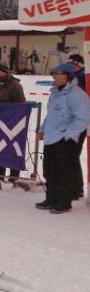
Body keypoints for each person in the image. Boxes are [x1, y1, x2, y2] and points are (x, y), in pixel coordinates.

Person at [36, 63, 90, 213]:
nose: (53, 77)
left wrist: (68, 135)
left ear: (65, 76)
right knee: (49, 170)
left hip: (65, 140)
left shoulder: (77, 94)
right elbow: (50, 115)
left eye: (56, 74)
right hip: (51, 138)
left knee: (64, 172)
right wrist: (42, 129)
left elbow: (83, 118)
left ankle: (64, 202)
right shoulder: (54, 93)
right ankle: (51, 198)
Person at [0, 61, 26, 181]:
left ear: (3, 71)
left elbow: (21, 104)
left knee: (12, 148)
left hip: (12, 123)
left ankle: (14, 176)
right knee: (0, 148)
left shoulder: (15, 85)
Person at [67, 54, 87, 200]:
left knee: (72, 155)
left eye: (73, 64)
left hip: (78, 123)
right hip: (75, 122)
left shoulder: (80, 78)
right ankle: (74, 187)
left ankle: (75, 188)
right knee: (72, 155)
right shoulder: (77, 77)